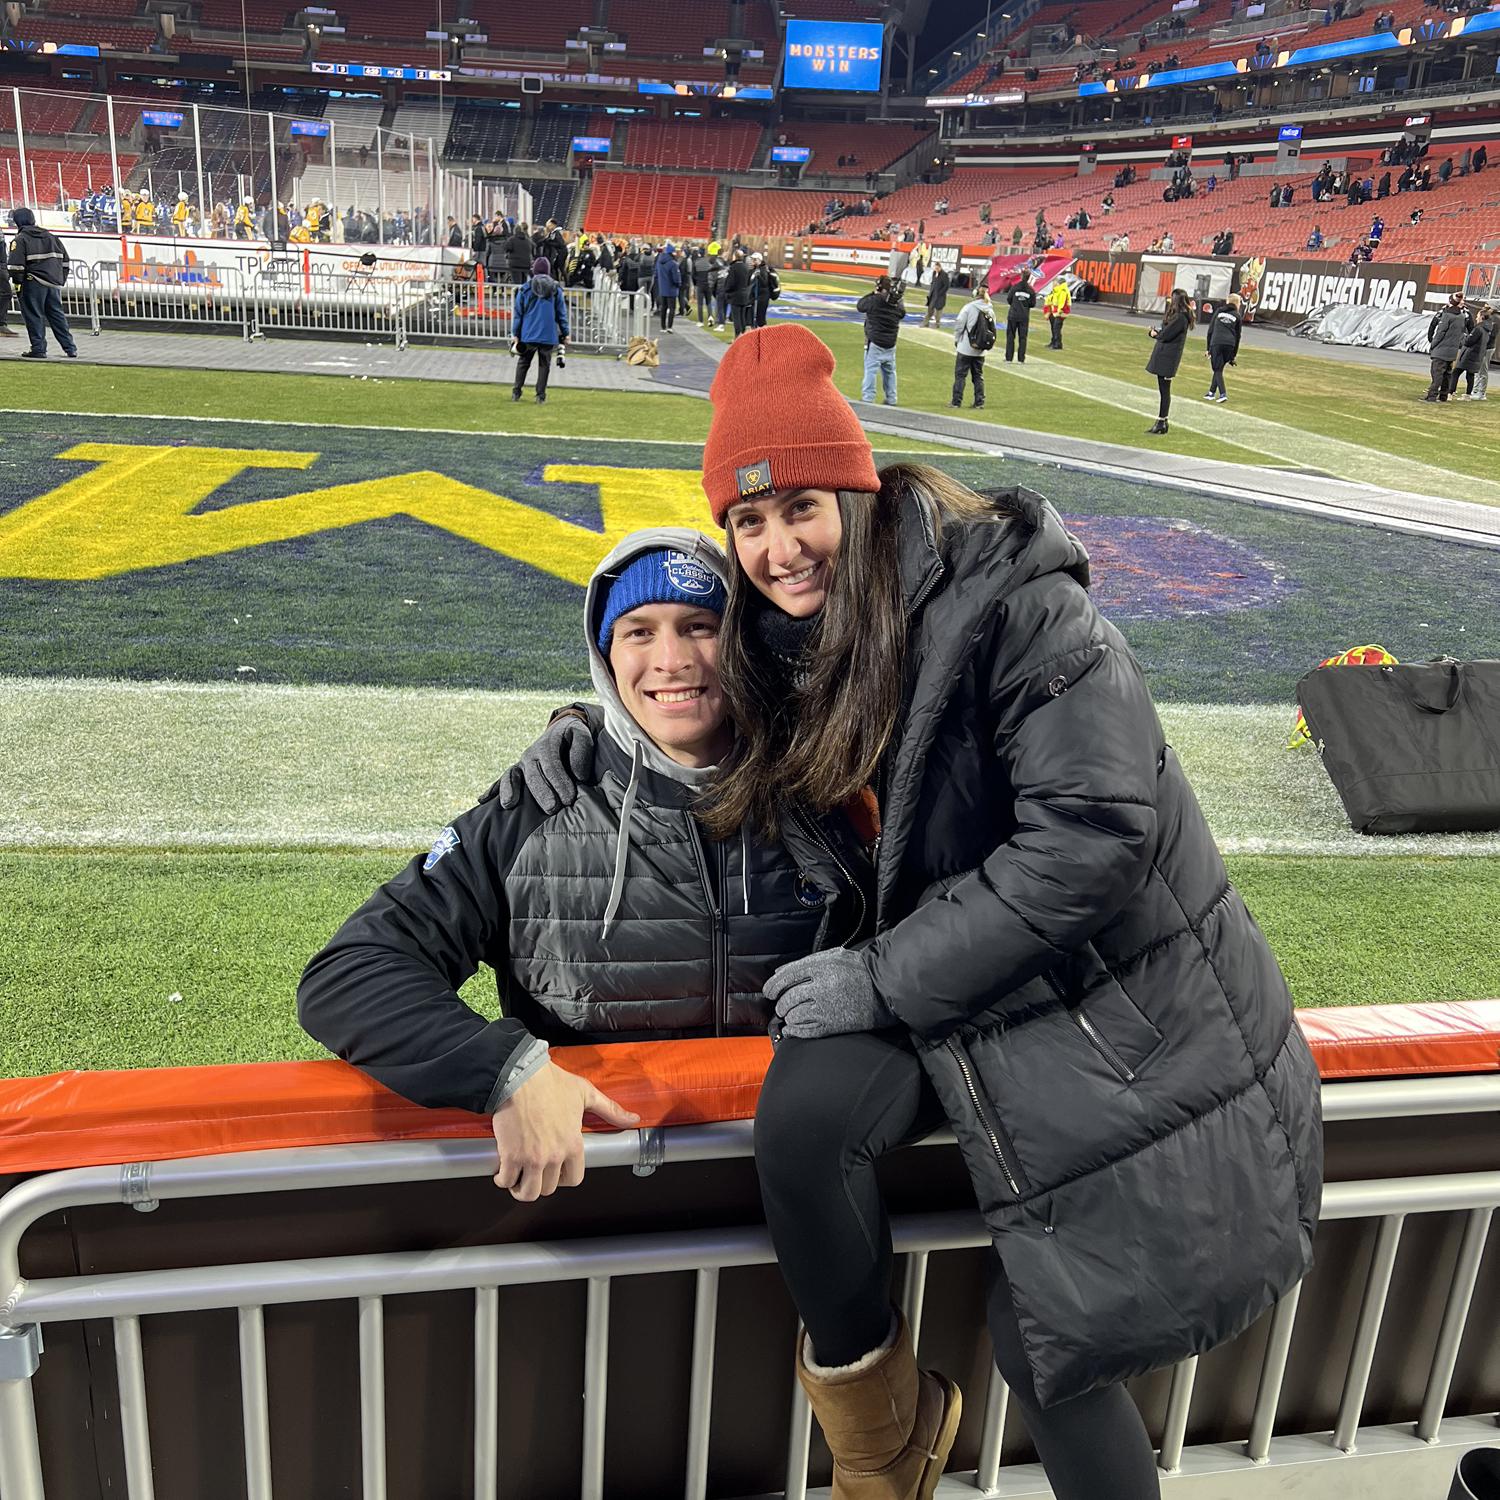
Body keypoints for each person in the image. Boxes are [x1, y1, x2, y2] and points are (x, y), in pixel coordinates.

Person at [519, 322, 1323, 1500]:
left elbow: (1092, 841)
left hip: (1111, 996)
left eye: (800, 507)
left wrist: (881, 979)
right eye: (748, 521)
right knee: (802, 1128)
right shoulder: (789, 641)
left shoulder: (1016, 603)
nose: (777, 547)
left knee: (1047, 1334)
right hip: (969, 980)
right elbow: (704, 729)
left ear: (856, 489)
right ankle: (884, 1445)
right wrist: (586, 747)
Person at [299, 528, 853, 1205]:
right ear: (605, 655)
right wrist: (507, 1071)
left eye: (700, 626)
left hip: (799, 1202)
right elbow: (351, 972)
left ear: (742, 640)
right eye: (639, 633)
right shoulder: (538, 805)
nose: (672, 660)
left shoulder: (828, 794)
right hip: (595, 1201)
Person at [7, 208, 77, 360]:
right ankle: (70, 348)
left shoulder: (20, 240)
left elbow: (15, 267)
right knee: (57, 316)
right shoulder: (52, 237)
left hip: (32, 283)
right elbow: (65, 262)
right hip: (53, 284)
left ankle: (38, 349)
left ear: (17, 222)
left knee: (34, 315)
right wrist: (59, 279)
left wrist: (18, 284)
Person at [511, 256, 568, 404]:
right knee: (544, 366)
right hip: (548, 334)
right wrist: (565, 332)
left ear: (534, 270)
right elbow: (561, 313)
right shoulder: (556, 289)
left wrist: (515, 333)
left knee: (523, 362)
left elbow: (518, 313)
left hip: (528, 333)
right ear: (548, 271)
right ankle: (540, 396)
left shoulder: (525, 289)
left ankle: (516, 392)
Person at [1146, 287, 1192, 433]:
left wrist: (1155, 334)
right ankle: (1162, 421)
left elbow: (1166, 335)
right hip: (1166, 355)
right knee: (1163, 390)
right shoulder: (1178, 316)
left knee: (1165, 391)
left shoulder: (1181, 317)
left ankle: (1162, 421)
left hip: (1168, 357)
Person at [856, 272, 906, 404]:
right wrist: (898, 299)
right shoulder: (896, 302)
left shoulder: (875, 300)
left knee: (871, 370)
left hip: (876, 341)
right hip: (891, 342)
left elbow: (860, 306)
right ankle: (892, 398)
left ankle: (868, 397)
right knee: (890, 372)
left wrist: (873, 293)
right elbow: (902, 314)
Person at [951, 281, 995, 408]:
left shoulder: (969, 307)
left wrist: (957, 339)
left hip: (965, 347)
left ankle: (956, 401)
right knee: (978, 376)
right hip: (981, 349)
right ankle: (979, 402)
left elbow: (959, 325)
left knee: (960, 375)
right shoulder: (990, 310)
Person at [1424, 294, 1467, 402]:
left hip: (1441, 350)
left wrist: (1433, 344)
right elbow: (1463, 332)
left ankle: (1432, 396)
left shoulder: (1447, 315)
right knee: (1447, 375)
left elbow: (1440, 332)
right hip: (1452, 351)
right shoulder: (1462, 316)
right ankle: (1443, 396)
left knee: (1437, 374)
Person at [1205, 292, 1242, 404]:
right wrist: (1233, 355)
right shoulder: (1237, 316)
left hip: (1217, 342)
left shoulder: (1219, 312)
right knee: (1219, 368)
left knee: (1217, 369)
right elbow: (1238, 336)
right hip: (1230, 344)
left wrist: (1208, 348)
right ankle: (1211, 393)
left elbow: (1210, 331)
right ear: (1237, 304)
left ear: (1228, 302)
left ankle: (1222, 394)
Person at [1455, 304, 1492, 399]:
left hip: (1470, 354)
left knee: (1456, 372)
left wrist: (1464, 337)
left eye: (1478, 316)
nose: (1476, 318)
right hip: (1477, 355)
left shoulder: (1479, 328)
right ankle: (1468, 394)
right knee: (1470, 375)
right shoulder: (1487, 329)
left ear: (1482, 317)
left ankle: (1451, 392)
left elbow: (1469, 342)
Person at [1005, 269, 1036, 363]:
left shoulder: (1014, 287)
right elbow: (1032, 304)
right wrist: (1024, 305)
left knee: (1010, 336)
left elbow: (1009, 299)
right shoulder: (1031, 290)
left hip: (1013, 315)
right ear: (1029, 278)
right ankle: (1021, 359)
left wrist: (1015, 304)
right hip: (1024, 316)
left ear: (1021, 276)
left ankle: (1009, 358)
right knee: (1023, 338)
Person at [654, 242, 681, 333]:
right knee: (672, 308)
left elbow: (656, 274)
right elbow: (676, 278)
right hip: (672, 289)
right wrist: (678, 284)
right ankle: (669, 326)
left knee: (663, 308)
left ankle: (663, 327)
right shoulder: (673, 264)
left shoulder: (659, 262)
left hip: (662, 288)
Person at [725, 247, 752, 338]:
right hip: (744, 295)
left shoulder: (734, 267)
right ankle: (743, 335)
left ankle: (737, 336)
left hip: (735, 295)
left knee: (736, 317)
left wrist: (727, 290)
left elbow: (731, 283)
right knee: (742, 316)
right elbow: (748, 281)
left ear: (735, 257)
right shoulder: (746, 267)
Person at [1043, 277, 1071, 349]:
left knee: (1056, 328)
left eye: (1055, 282)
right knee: (1053, 327)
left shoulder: (1063, 291)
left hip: (1060, 313)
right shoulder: (1056, 290)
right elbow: (1051, 300)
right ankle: (1053, 342)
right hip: (1054, 312)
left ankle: (1058, 344)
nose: (1053, 283)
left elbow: (1062, 303)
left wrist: (1059, 311)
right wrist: (1048, 311)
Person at [922, 262, 950, 328]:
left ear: (940, 267)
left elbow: (946, 286)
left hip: (940, 296)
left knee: (938, 311)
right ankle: (925, 323)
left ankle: (937, 324)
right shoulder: (934, 273)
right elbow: (933, 283)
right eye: (935, 268)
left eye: (937, 268)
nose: (936, 269)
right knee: (930, 310)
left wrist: (940, 293)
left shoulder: (944, 275)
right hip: (933, 295)